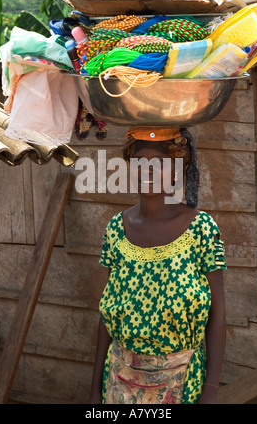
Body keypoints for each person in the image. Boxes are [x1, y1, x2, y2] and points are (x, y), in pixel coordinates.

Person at [88, 127, 227, 405]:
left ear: (176, 171)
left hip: (183, 380)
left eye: (160, 163)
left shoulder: (200, 229)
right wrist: (95, 389)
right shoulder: (116, 229)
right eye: (140, 162)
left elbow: (218, 312)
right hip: (119, 380)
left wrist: (211, 388)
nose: (147, 171)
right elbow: (108, 312)